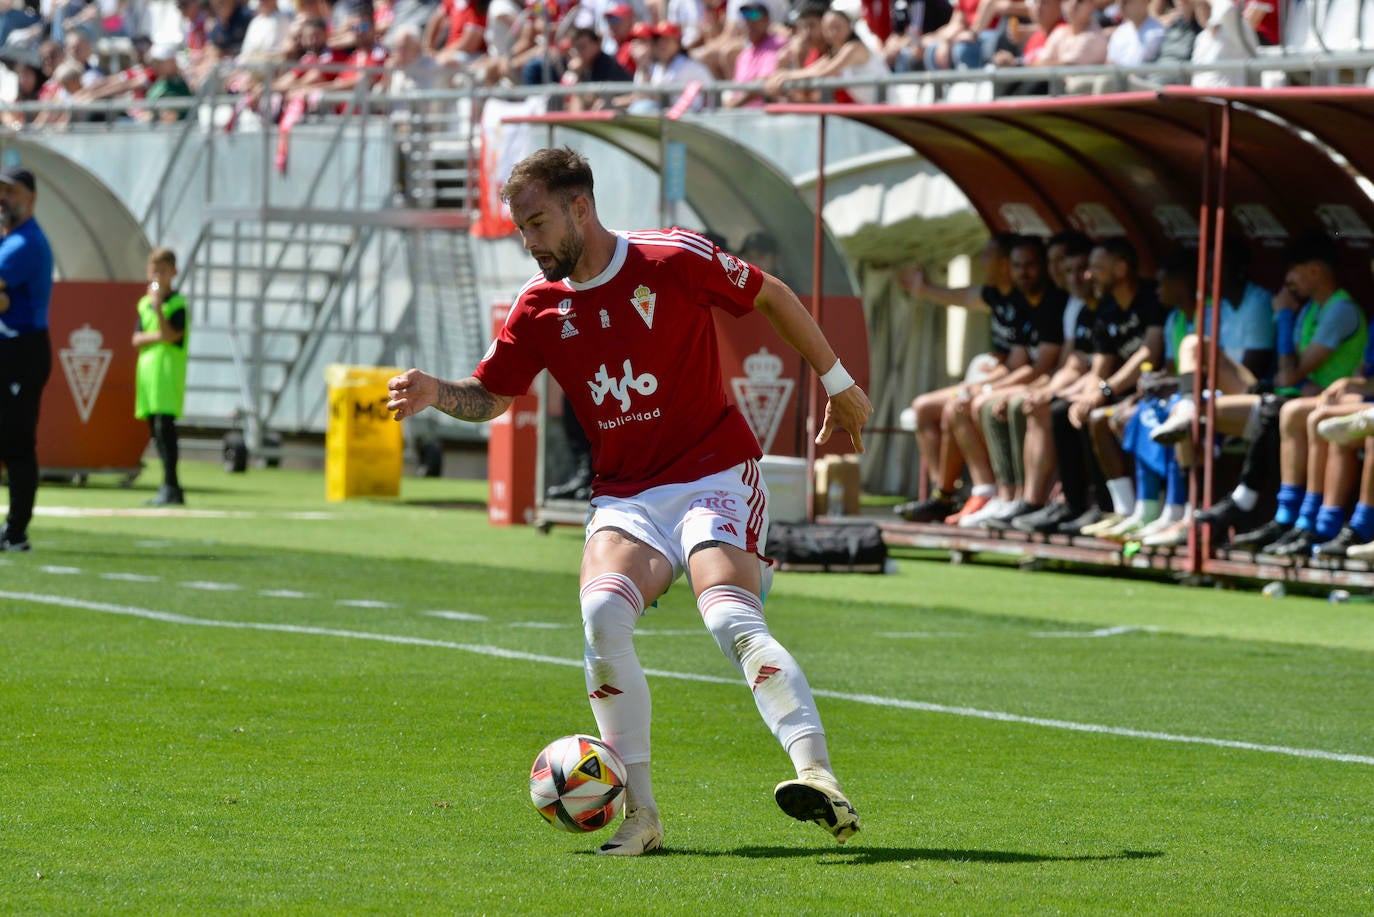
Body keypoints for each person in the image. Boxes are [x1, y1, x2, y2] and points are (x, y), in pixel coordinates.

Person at [386, 146, 869, 856]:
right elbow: (494, 392)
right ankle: (641, 815)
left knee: (729, 615)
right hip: (628, 495)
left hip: (712, 472)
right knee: (600, 611)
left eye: (538, 222)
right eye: (521, 228)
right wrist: (437, 394)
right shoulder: (540, 305)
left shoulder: (670, 259)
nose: (529, 240)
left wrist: (838, 381)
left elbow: (771, 293)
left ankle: (817, 775)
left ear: (581, 207)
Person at [0, 167, 54, 552]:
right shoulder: (9, 240)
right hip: (8, 347)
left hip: (23, 350)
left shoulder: (26, 243)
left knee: (17, 442)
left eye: (12, 192)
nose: (4, 199)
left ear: (31, 198)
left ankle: (17, 532)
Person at [132, 247, 190, 507]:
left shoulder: (177, 305)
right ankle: (168, 486)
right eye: (154, 271)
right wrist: (155, 335)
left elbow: (172, 335)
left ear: (173, 273)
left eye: (163, 271)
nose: (158, 276)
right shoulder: (143, 304)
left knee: (165, 430)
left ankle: (172, 485)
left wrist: (158, 310)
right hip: (148, 376)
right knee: (155, 431)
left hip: (167, 376)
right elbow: (136, 339)